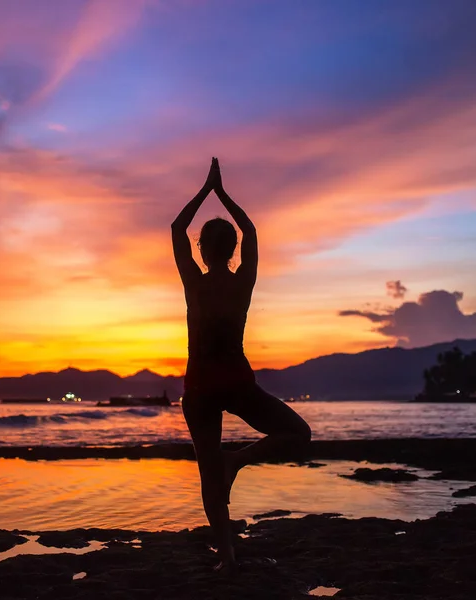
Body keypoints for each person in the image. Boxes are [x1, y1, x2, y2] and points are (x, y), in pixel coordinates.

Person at [171, 157, 311, 572]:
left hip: (200, 388)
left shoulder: (194, 284)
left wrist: (206, 189)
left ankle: (227, 553)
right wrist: (223, 193)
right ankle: (237, 461)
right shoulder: (241, 284)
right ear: (233, 250)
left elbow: (177, 229)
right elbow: (250, 230)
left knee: (208, 473)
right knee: (297, 433)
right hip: (235, 382)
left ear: (202, 249)